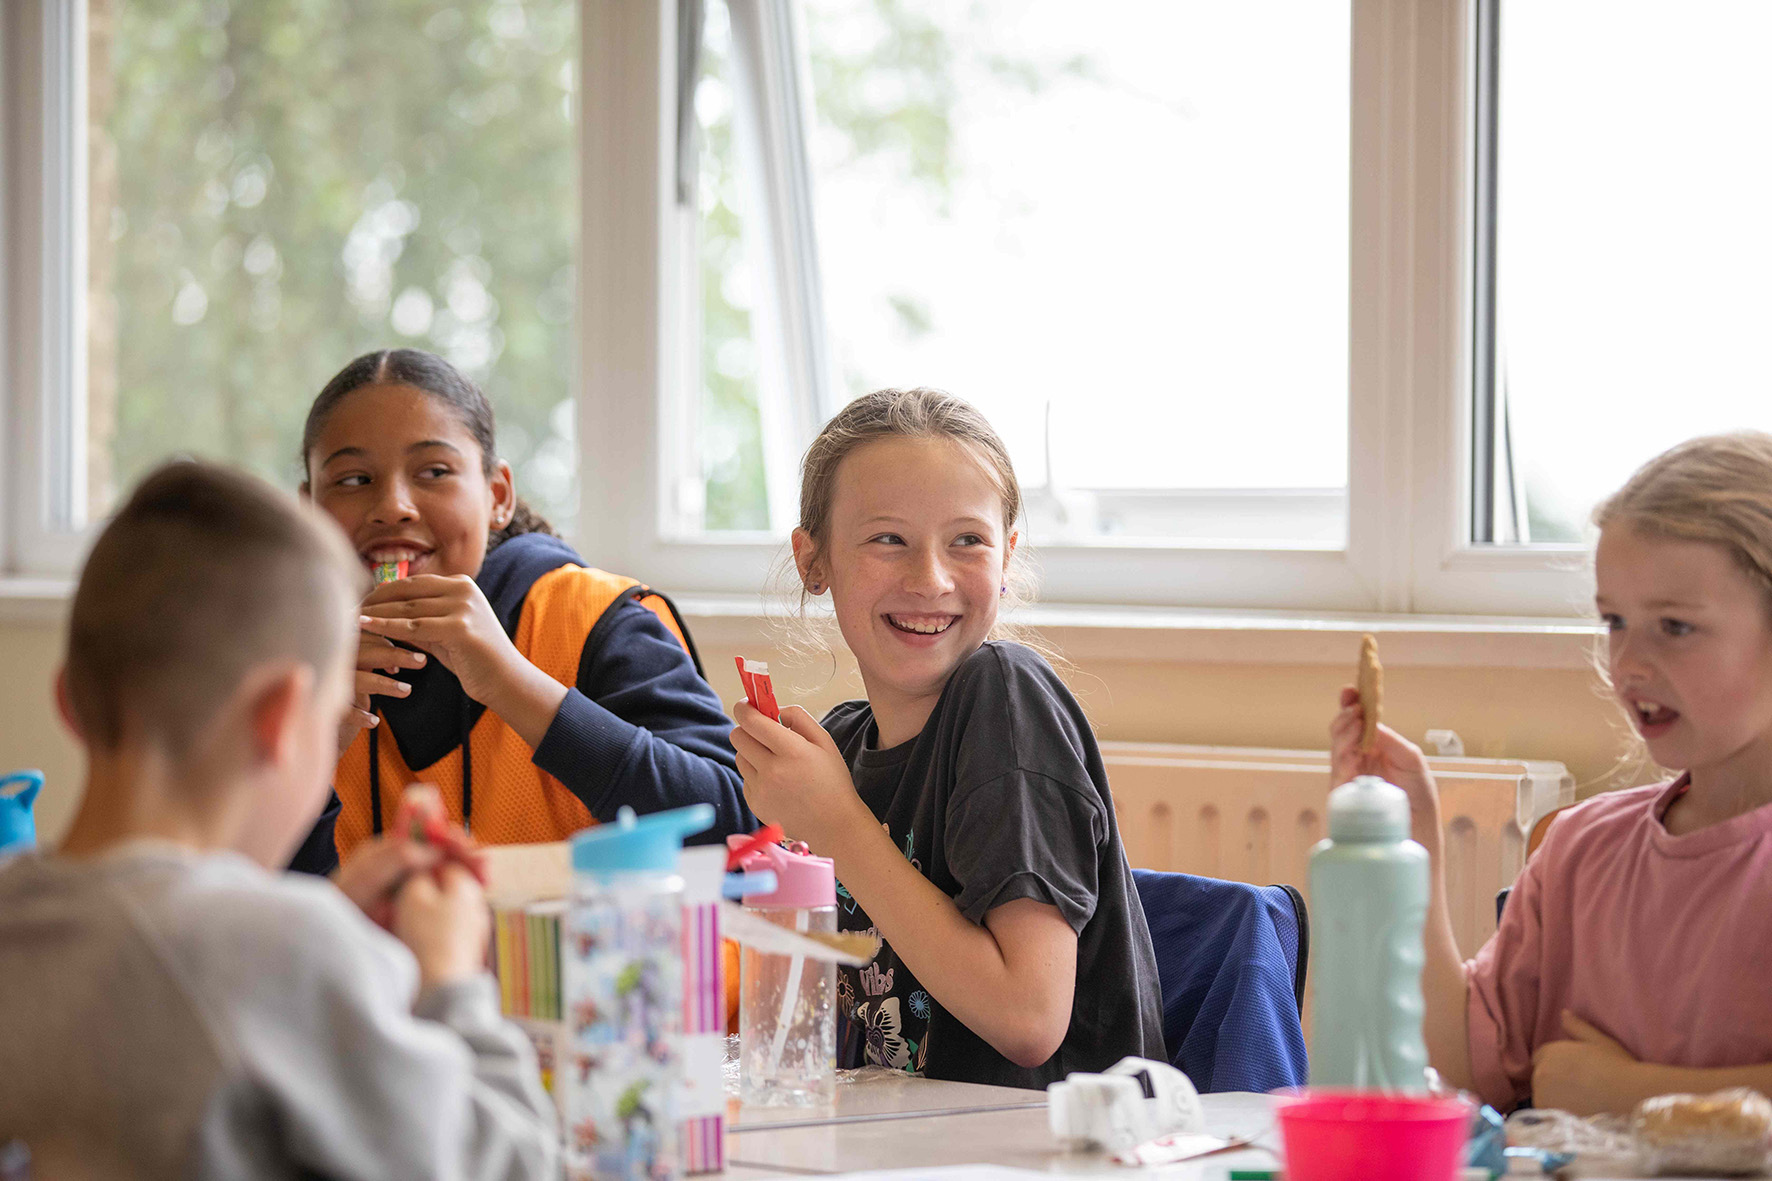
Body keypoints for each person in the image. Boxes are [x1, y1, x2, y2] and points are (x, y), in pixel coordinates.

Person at [0, 461, 557, 1177]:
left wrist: (329, 920)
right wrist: (448, 979)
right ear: (283, 717)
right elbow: (516, 1164)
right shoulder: (267, 950)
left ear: (69, 702)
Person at [729, 388, 1163, 1088]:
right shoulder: (837, 747)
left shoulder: (1006, 699)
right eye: (887, 539)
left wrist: (836, 824)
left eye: (967, 540)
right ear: (814, 561)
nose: (930, 578)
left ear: (1007, 554)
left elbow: (1028, 1018)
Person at [1331, 432, 1772, 1115]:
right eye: (1614, 620)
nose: (1628, 661)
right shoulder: (1582, 847)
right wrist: (1409, 844)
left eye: (1675, 626)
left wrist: (1624, 1092)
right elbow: (1467, 1071)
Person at [290, 347, 752, 874]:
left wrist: (511, 683)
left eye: (434, 471)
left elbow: (738, 828)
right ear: (308, 510)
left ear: (498, 495)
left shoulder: (598, 620)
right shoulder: (286, 664)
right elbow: (241, 903)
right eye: (353, 480)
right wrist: (310, 757)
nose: (394, 505)